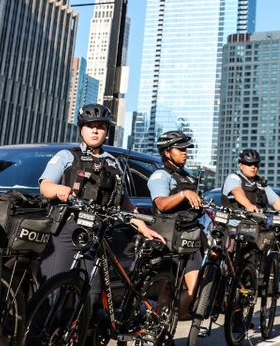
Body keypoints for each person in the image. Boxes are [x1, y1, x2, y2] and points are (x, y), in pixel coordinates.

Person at [38, 104, 164, 287]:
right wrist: (59, 189)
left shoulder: (113, 163)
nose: (95, 131)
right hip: (68, 229)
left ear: (106, 131)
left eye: (101, 127)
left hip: (99, 234)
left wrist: (143, 227)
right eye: (90, 126)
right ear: (81, 129)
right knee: (52, 291)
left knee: (92, 295)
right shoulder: (66, 156)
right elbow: (45, 186)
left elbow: (125, 202)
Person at [148, 130, 205, 319]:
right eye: (179, 149)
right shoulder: (160, 175)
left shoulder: (187, 175)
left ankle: (166, 324)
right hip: (169, 240)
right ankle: (159, 329)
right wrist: (183, 194)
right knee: (166, 289)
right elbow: (161, 204)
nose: (185, 152)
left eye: (186, 149)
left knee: (195, 290)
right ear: (166, 152)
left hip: (190, 239)